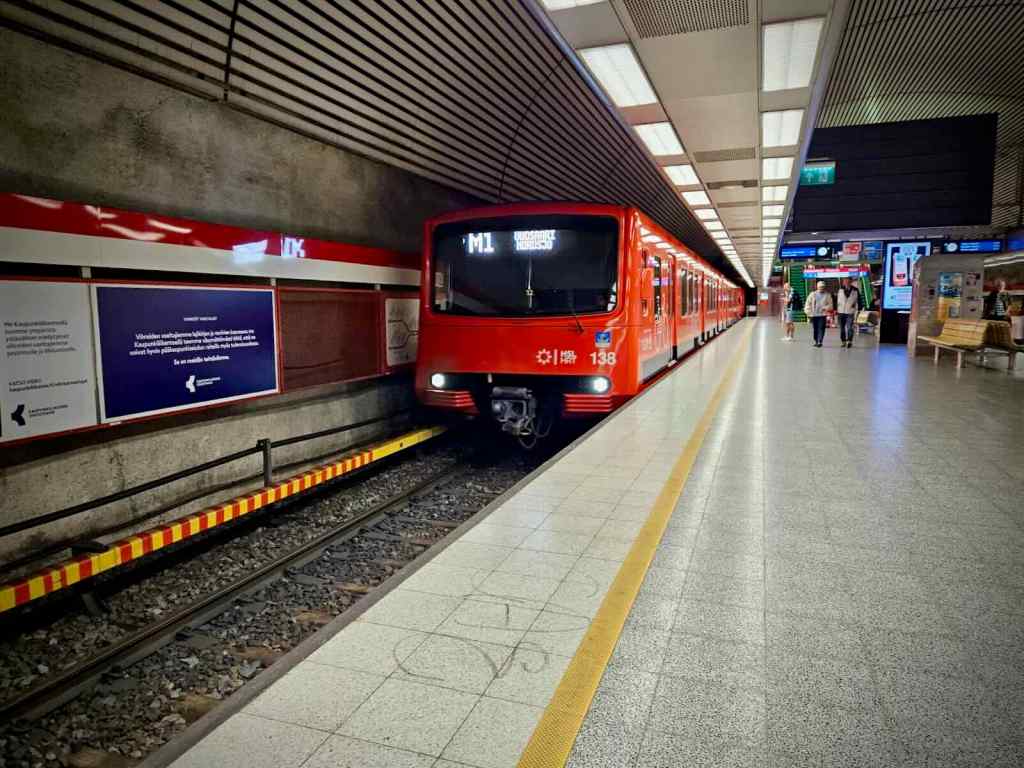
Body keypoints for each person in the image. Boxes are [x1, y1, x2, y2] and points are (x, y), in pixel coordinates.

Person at [804, 281, 833, 347]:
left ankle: (820, 341)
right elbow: (808, 303)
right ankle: (816, 340)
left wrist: (825, 308)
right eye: (820, 287)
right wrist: (808, 312)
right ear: (817, 287)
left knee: (821, 328)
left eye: (823, 287)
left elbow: (831, 305)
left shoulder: (827, 295)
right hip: (814, 314)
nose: (821, 288)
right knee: (815, 329)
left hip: (822, 315)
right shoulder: (812, 294)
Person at [836, 277, 861, 348]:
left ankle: (849, 341)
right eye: (845, 281)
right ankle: (843, 341)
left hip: (850, 312)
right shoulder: (840, 290)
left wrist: (858, 309)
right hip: (841, 312)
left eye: (848, 281)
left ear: (851, 282)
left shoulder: (855, 290)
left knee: (849, 327)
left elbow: (859, 301)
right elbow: (837, 300)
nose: (846, 282)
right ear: (843, 282)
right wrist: (836, 309)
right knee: (842, 328)